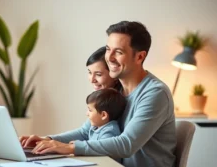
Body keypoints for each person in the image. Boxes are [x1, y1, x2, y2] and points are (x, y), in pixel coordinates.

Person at [21, 21, 176, 167]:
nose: (110, 57)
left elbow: (127, 144)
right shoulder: (115, 90)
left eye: (119, 52)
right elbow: (85, 131)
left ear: (140, 57)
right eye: (108, 49)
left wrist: (70, 147)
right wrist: (48, 140)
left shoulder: (155, 93)